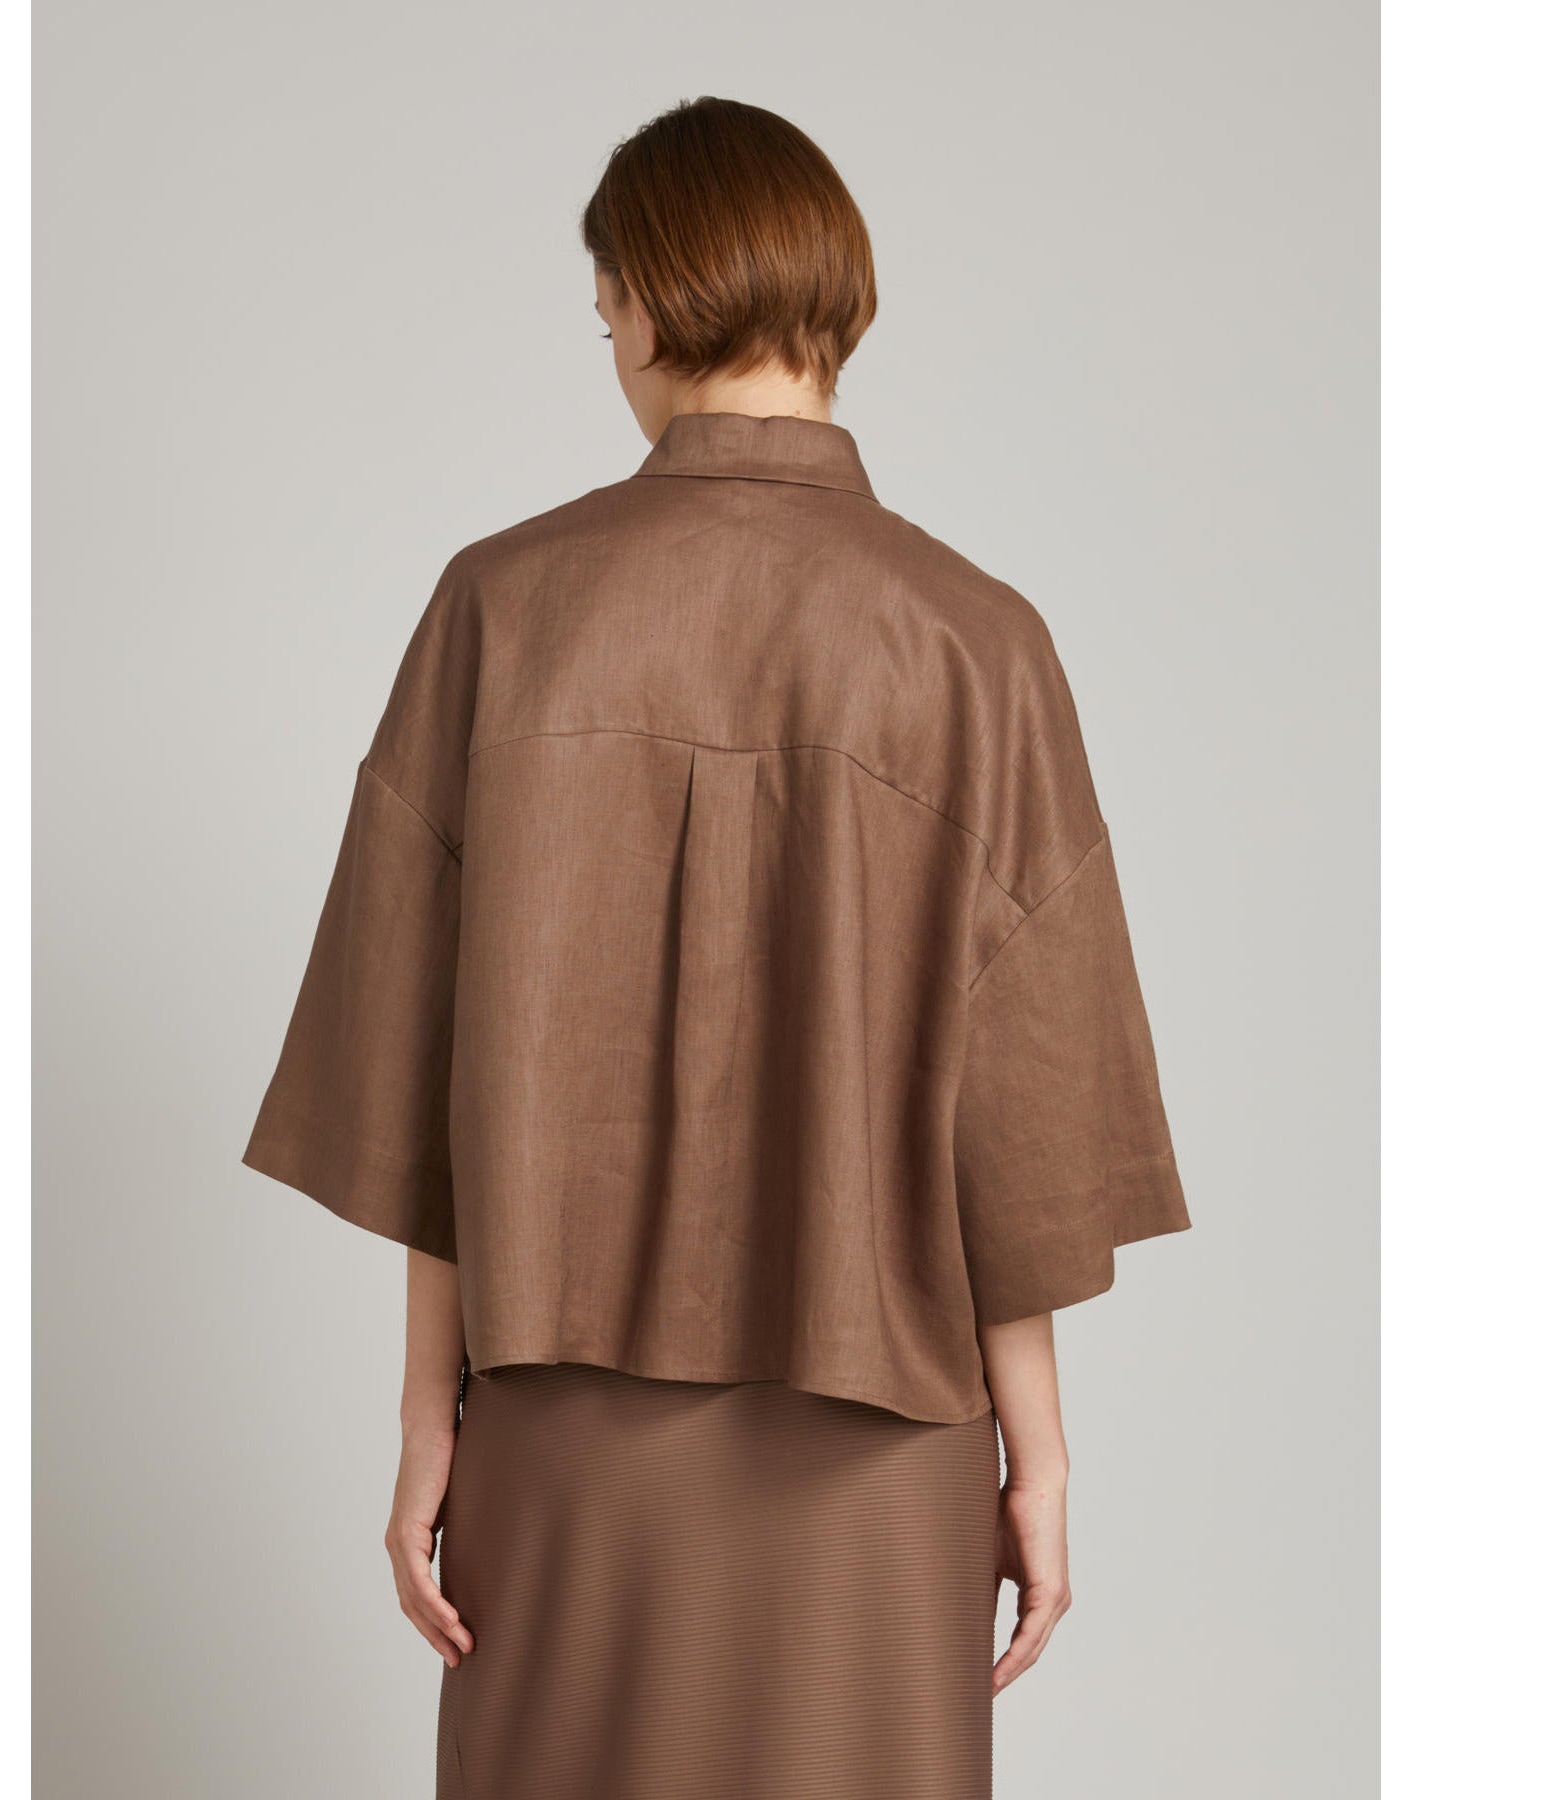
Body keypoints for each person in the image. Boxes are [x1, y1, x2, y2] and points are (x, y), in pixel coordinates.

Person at [244, 95, 1190, 1800]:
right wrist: (1039, 1458)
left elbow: (421, 1075)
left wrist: (424, 1420)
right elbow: (1029, 1121)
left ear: (649, 302)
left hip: (563, 1437)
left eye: (603, 300)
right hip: (884, 1451)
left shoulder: (500, 607)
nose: (606, 338)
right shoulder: (980, 645)